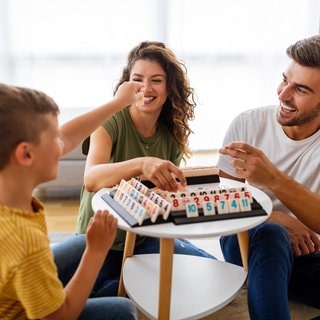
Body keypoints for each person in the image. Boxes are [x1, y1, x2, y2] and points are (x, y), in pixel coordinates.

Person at [72, 41, 215, 297]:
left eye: (156, 80)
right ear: (127, 85)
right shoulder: (110, 122)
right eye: (137, 79)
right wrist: (141, 164)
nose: (146, 88)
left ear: (170, 88)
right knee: (106, 297)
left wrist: (175, 195)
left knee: (210, 271)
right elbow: (92, 179)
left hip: (145, 236)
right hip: (100, 242)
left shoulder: (171, 137)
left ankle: (141, 274)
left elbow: (165, 193)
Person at [0, 81, 144, 319]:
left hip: (16, 279)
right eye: (53, 139)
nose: (62, 145)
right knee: (123, 310)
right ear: (26, 154)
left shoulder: (9, 191)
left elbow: (67, 136)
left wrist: (118, 103)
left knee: (80, 243)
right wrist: (96, 252)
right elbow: (60, 316)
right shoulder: (24, 241)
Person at [217, 35, 320, 320]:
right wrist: (274, 216)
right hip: (247, 240)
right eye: (284, 80)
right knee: (271, 234)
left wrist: (274, 179)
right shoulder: (247, 123)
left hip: (308, 254)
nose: (283, 94)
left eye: (300, 89)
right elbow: (222, 201)